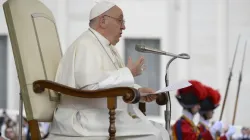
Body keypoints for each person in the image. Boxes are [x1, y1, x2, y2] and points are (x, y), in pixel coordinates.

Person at [48, 1, 170, 140]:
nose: (123, 26)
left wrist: (138, 92)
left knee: (160, 130)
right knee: (154, 135)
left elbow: (108, 83)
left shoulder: (109, 48)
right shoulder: (86, 44)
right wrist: (128, 73)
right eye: (120, 20)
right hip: (83, 119)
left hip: (101, 116)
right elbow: (90, 86)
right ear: (103, 21)